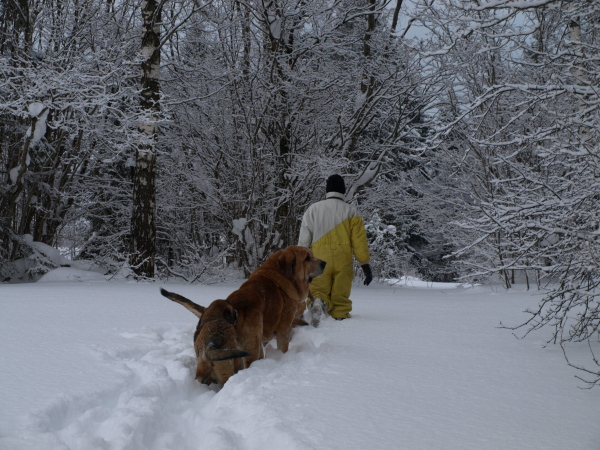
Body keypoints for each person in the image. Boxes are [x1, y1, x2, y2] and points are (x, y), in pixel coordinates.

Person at [298, 174, 372, 324]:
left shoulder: (313, 209)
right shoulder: (352, 211)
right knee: (341, 295)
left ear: (328, 190)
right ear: (343, 191)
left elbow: (304, 240)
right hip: (343, 259)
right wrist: (365, 264)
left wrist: (300, 262)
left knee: (318, 290)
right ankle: (340, 315)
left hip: (318, 260)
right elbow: (359, 241)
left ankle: (318, 303)